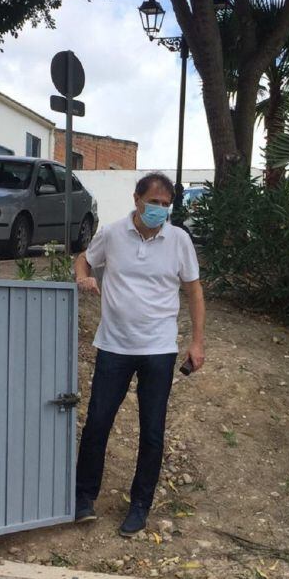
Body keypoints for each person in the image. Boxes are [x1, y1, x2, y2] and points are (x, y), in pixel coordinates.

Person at [73, 172, 205, 537]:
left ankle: (140, 505)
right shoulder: (113, 234)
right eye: (154, 203)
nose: (160, 210)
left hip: (159, 350)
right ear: (136, 199)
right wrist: (83, 276)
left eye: (166, 205)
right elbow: (83, 259)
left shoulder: (179, 241)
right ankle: (83, 498)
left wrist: (197, 342)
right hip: (114, 345)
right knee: (98, 422)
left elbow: (194, 292)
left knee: (152, 431)